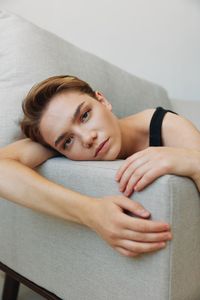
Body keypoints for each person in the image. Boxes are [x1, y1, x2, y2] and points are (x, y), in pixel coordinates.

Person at [0, 75, 200, 258]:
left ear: (102, 101)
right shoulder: (61, 141)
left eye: (85, 115)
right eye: (67, 141)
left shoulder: (167, 126)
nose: (87, 138)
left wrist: (191, 162)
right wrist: (90, 212)